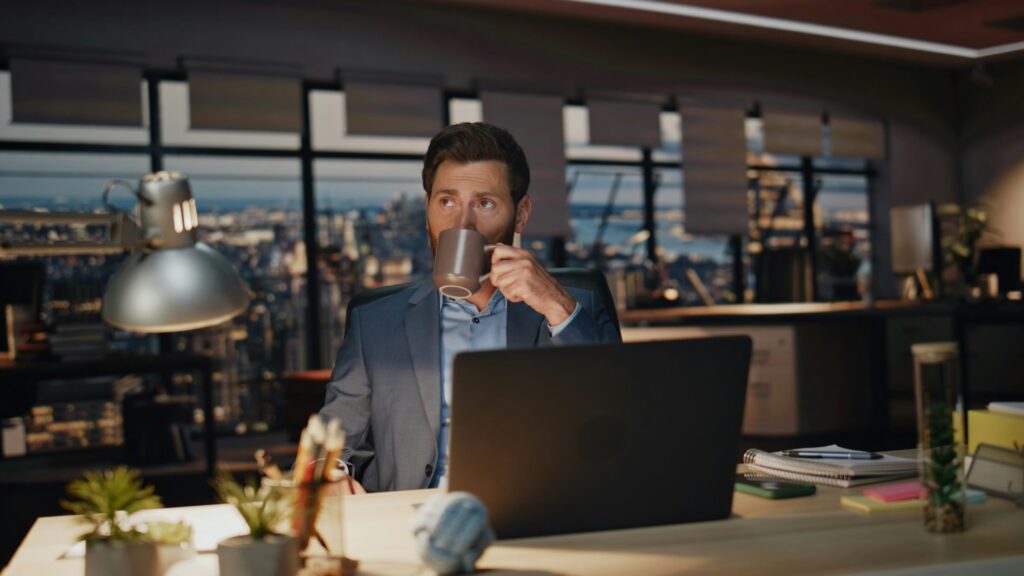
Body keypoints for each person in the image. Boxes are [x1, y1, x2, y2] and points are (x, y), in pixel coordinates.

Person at [320, 122, 621, 492]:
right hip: (415, 519)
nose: (462, 224)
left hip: (536, 514)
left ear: (521, 213)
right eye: (446, 201)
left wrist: (558, 307)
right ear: (428, 208)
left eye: (485, 203)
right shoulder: (376, 324)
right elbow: (330, 443)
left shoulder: (573, 307)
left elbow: (619, 413)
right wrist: (331, 475)